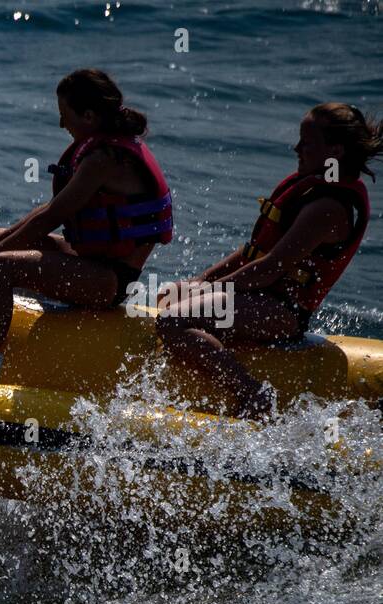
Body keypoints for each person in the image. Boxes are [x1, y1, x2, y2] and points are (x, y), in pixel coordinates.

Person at [155, 103, 380, 418]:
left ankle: (254, 394)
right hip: (257, 297)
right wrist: (200, 281)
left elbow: (272, 266)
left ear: (335, 151)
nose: (296, 148)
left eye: (307, 143)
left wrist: (208, 292)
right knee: (171, 295)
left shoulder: (329, 207)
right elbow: (253, 252)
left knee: (173, 321)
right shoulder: (314, 188)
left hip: (281, 312)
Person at [0, 69, 173, 381]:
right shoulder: (103, 147)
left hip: (107, 281)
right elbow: (50, 209)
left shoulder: (105, 159)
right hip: (88, 260)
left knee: (1, 265)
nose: (60, 124)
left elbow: (51, 218)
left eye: (64, 115)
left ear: (89, 116)